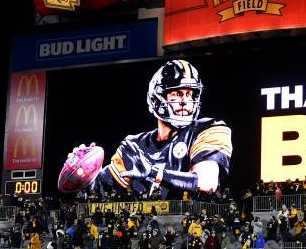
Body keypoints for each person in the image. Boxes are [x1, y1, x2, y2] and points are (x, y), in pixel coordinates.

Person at [62, 60, 233, 199]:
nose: (186, 101)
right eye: (178, 94)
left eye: (190, 94)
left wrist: (153, 172)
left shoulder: (209, 129)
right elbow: (97, 189)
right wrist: (81, 174)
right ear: (157, 98)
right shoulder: (133, 146)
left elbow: (206, 183)